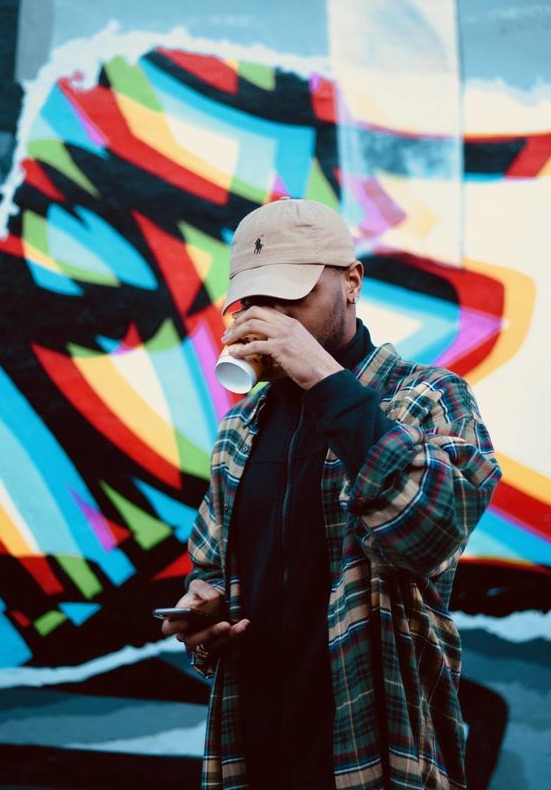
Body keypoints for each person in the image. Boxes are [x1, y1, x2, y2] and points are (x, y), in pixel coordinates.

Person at [161, 198, 501, 789]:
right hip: (254, 748)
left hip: (377, 744)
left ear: (351, 282)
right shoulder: (241, 429)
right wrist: (204, 611)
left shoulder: (426, 398)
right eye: (259, 300)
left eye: (292, 296)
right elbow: (214, 567)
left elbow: (431, 534)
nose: (273, 315)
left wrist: (321, 376)